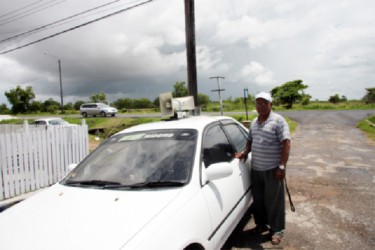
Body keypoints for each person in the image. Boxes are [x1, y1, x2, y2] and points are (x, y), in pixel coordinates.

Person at [235, 92, 291, 245]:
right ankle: (261, 225)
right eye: (258, 103)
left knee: (274, 202)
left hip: (273, 169)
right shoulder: (254, 122)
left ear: (270, 105)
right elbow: (250, 140)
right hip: (257, 169)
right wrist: (245, 152)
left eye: (264, 103)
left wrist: (281, 166)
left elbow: (286, 143)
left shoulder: (278, 121)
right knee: (259, 201)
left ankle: (277, 229)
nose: (260, 106)